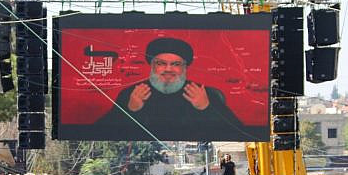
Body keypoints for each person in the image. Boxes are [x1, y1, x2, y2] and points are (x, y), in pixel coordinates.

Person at [95, 37, 244, 140]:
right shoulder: (131, 93)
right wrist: (131, 109)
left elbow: (239, 132)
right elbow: (101, 131)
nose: (168, 69)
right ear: (152, 66)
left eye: (176, 64)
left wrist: (206, 107)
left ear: (185, 67)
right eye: (161, 63)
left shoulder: (205, 93)